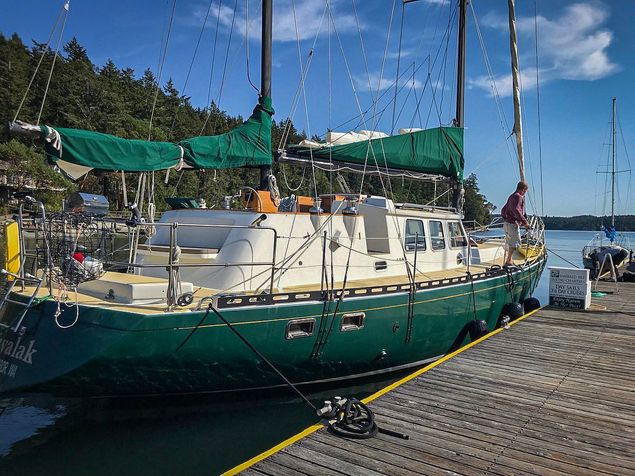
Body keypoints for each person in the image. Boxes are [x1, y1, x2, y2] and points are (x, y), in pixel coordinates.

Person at [501, 181, 529, 266]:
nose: (525, 194)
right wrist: (525, 222)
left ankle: (510, 259)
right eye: (525, 191)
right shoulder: (518, 197)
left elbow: (503, 209)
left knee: (511, 242)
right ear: (523, 189)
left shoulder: (511, 196)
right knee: (515, 243)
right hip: (512, 224)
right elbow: (517, 210)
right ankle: (509, 261)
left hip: (507, 224)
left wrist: (506, 218)